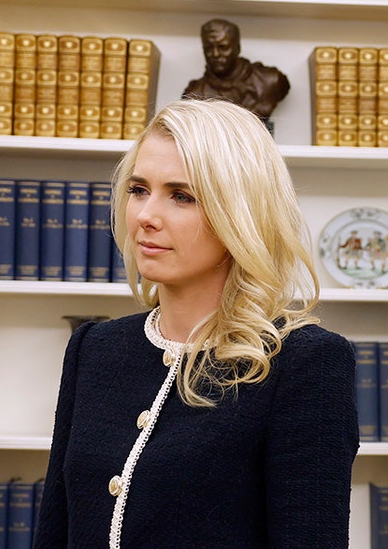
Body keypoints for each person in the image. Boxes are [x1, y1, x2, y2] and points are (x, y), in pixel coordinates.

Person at [34, 100, 359, 547]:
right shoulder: (95, 347)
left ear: (239, 214)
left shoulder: (306, 362)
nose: (146, 216)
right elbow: (54, 530)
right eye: (138, 189)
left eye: (181, 196)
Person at [184, 18, 291, 121]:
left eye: (223, 47)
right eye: (209, 48)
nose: (215, 54)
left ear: (237, 48)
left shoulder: (269, 80)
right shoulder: (194, 94)